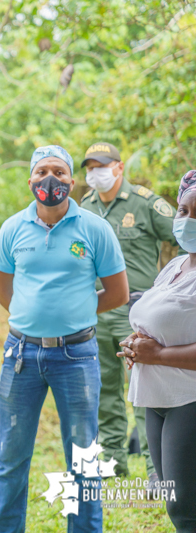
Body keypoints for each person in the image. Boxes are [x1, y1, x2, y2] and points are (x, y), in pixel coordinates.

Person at [0, 145, 129, 532]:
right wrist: (32, 317)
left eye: (59, 172)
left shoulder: (95, 229)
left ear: (72, 180)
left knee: (83, 459)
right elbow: (4, 290)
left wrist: (77, 311)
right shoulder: (12, 228)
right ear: (30, 180)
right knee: (10, 458)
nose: (50, 179)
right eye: (41, 172)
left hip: (77, 356)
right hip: (20, 354)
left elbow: (118, 293)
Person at [79, 141, 178, 482]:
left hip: (138, 310)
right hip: (97, 309)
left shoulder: (145, 202)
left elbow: (182, 236)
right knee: (104, 389)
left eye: (102, 166)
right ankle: (114, 464)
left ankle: (155, 470)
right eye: (90, 168)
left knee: (145, 389)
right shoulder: (85, 206)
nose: (96, 173)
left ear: (119, 167)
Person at [119, 169, 196, 531]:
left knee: (187, 511)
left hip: (189, 400)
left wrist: (157, 355)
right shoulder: (177, 267)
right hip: (158, 399)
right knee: (174, 503)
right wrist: (136, 344)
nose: (188, 220)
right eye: (183, 211)